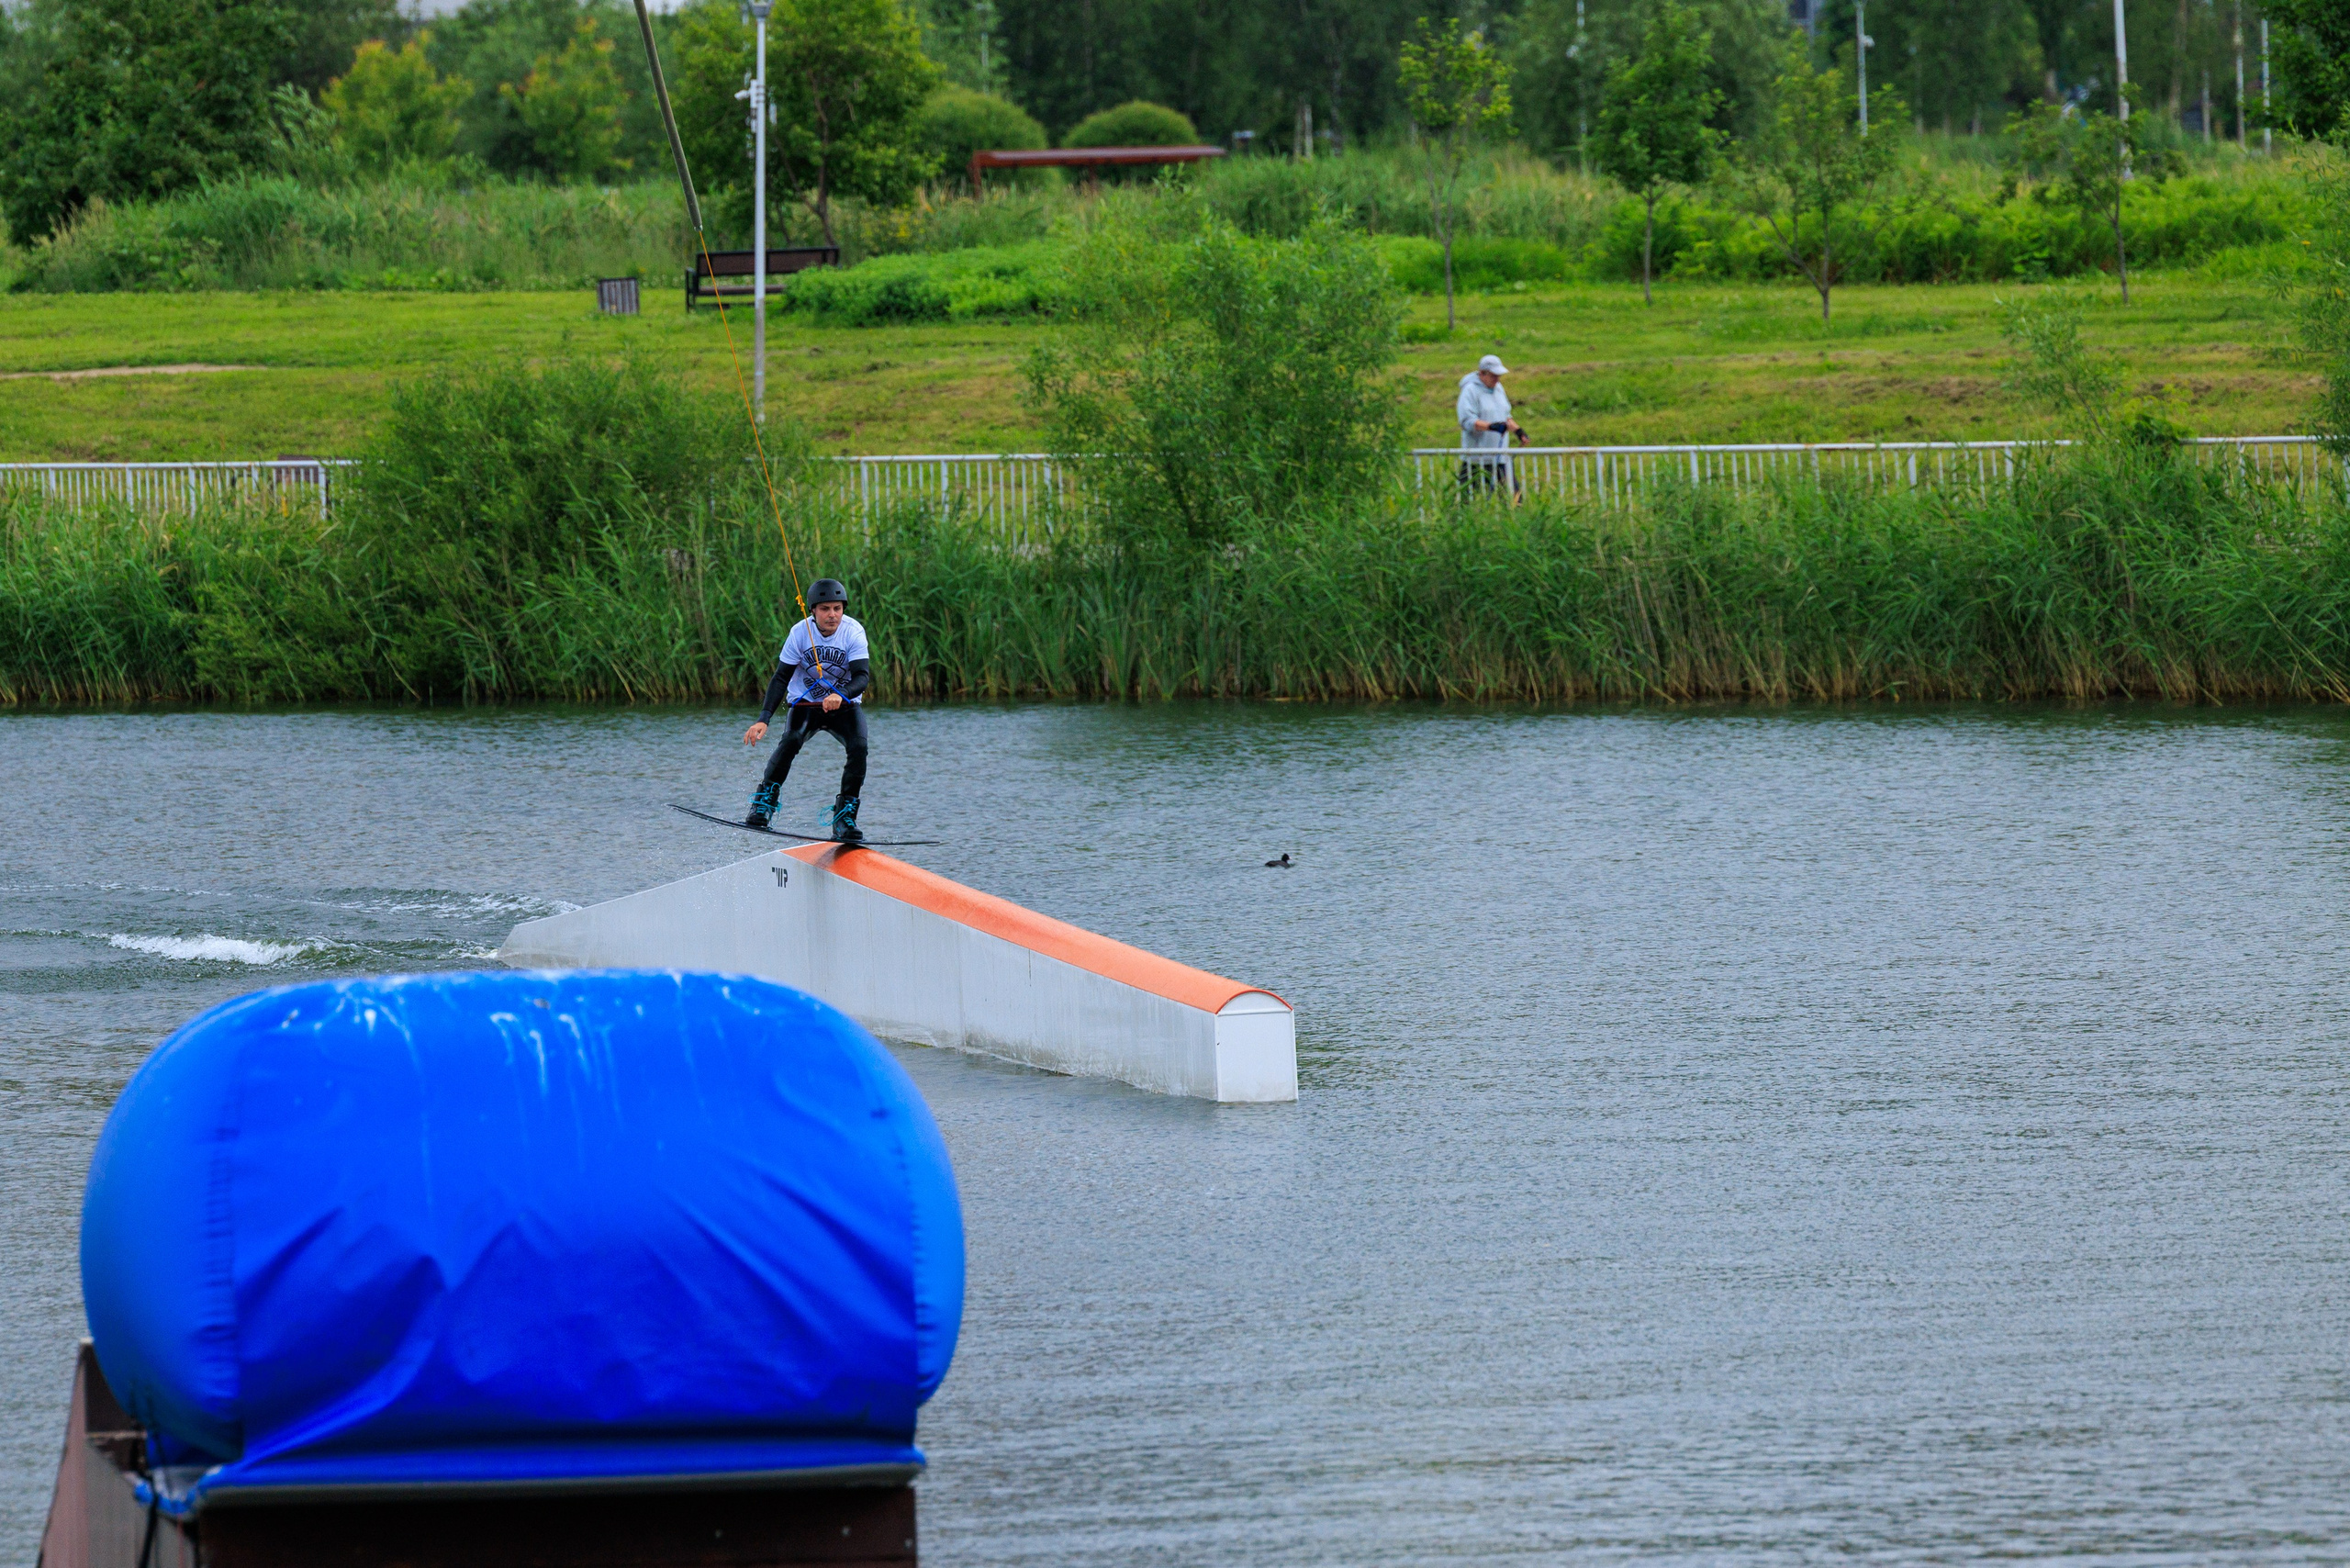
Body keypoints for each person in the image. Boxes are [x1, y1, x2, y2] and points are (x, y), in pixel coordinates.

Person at [741, 579, 871, 841]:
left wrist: (840, 695)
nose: (832, 615)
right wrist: (764, 719)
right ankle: (763, 804)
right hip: (806, 704)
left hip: (843, 706)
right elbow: (781, 677)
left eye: (837, 608)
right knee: (791, 739)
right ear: (812, 610)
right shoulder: (800, 633)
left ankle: (844, 818)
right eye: (825, 609)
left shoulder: (853, 632)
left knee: (859, 747)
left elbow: (862, 677)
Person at [1457, 353, 1523, 500]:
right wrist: (1491, 426)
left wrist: (1518, 431)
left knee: (1514, 498)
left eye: (1499, 376)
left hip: (1500, 457)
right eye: (1493, 376)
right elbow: (1467, 421)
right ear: (1482, 373)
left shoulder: (1499, 388)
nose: (1497, 379)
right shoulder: (1470, 391)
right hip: (1476, 458)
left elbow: (1506, 416)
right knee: (1467, 500)